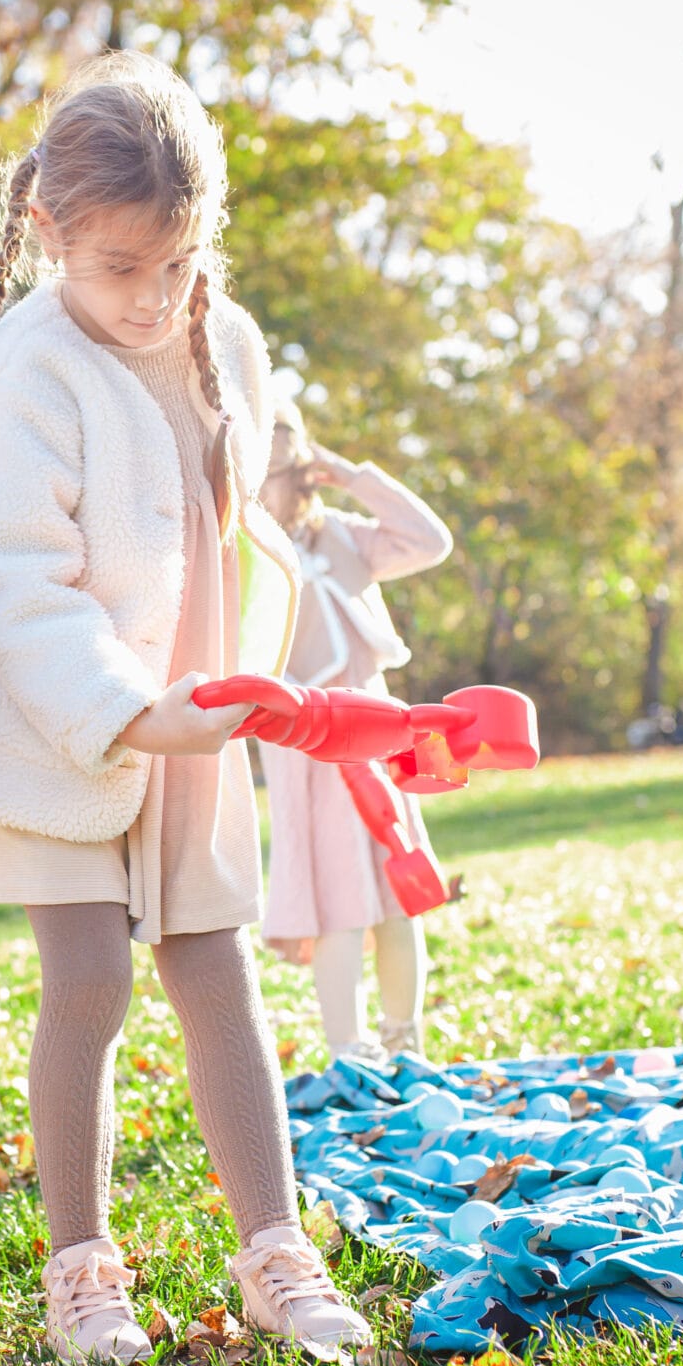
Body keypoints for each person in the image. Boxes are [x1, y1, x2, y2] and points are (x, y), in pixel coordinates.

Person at [0, 52, 373, 1366]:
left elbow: (236, 520)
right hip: (57, 728)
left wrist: (272, 668)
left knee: (218, 972)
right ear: (47, 233)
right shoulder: (18, 376)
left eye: (175, 264)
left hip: (193, 724)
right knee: (93, 980)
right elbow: (17, 590)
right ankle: (81, 1270)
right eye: (121, 269)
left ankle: (277, 1251)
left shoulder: (224, 339)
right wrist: (128, 712)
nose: (154, 296)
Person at [255, 398, 453, 1062]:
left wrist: (354, 476)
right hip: (307, 740)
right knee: (339, 901)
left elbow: (430, 542)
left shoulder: (342, 535)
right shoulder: (247, 553)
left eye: (290, 461)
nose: (282, 478)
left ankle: (405, 1039)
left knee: (399, 889)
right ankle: (349, 1048)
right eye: (264, 464)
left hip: (377, 728)